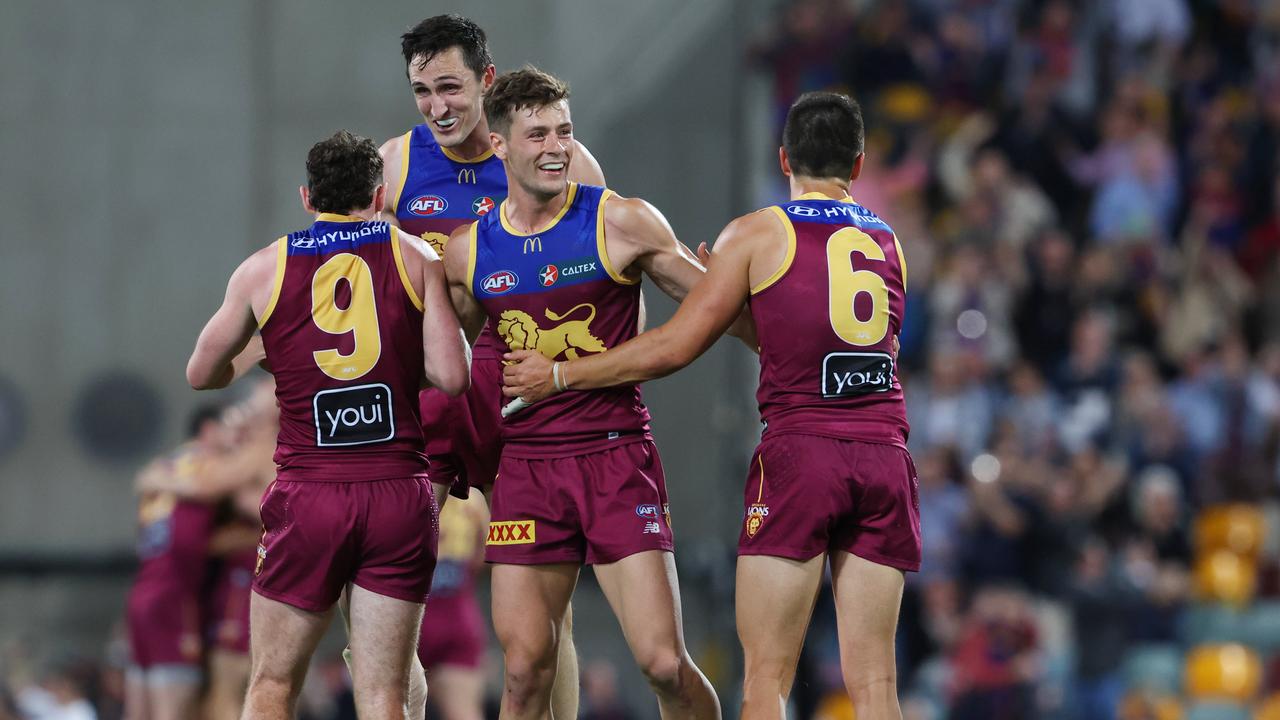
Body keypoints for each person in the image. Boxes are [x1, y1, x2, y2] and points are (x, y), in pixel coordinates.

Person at [502, 92, 918, 720]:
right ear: (858, 167)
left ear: (783, 159)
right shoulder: (891, 245)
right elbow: (818, 334)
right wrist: (734, 305)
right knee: (877, 684)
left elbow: (672, 347)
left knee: (766, 679)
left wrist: (561, 374)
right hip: (885, 455)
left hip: (801, 456)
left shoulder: (756, 232)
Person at [442, 66, 729, 720]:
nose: (555, 147)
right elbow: (457, 358)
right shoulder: (469, 255)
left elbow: (711, 312)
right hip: (526, 470)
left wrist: (745, 293)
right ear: (499, 147)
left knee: (662, 662)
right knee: (521, 671)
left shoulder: (622, 221)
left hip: (614, 456)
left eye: (564, 132)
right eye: (537, 133)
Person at [186, 129, 469, 719]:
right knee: (385, 694)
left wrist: (274, 355)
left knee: (270, 684)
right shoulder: (418, 258)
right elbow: (451, 376)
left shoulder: (263, 268)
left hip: (310, 494)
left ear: (307, 198)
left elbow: (201, 374)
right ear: (380, 194)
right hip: (398, 493)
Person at [380, 15, 605, 717]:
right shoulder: (395, 163)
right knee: (389, 596)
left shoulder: (557, 157)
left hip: (522, 398)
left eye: (449, 87)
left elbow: (611, 278)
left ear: (487, 80)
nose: (436, 106)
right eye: (422, 91)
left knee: (545, 610)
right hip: (429, 399)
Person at [123, 406, 224, 720]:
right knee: (175, 712)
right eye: (231, 426)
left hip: (144, 592)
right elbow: (219, 487)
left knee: (139, 711)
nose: (238, 435)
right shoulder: (208, 463)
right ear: (209, 430)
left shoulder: (163, 466)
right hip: (174, 597)